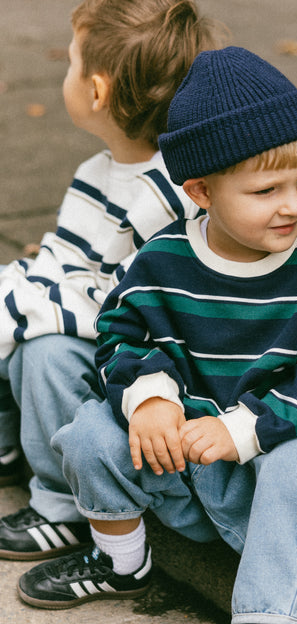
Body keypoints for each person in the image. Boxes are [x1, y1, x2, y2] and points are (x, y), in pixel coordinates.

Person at [19, 47, 297, 624]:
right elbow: (118, 337)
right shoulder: (161, 261)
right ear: (201, 192)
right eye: (266, 192)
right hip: (193, 446)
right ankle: (120, 560)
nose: (293, 204)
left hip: (296, 434)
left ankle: (271, 614)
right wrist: (150, 397)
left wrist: (248, 427)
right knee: (90, 433)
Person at [0, 0, 222, 561]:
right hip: (99, 326)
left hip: (145, 368)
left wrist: (27, 309)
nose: (66, 74)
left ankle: (63, 505)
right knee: (17, 308)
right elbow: (62, 260)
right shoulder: (99, 173)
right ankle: (10, 443)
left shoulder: (167, 197)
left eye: (72, 63)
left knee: (42, 351)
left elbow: (125, 307)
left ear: (96, 91)